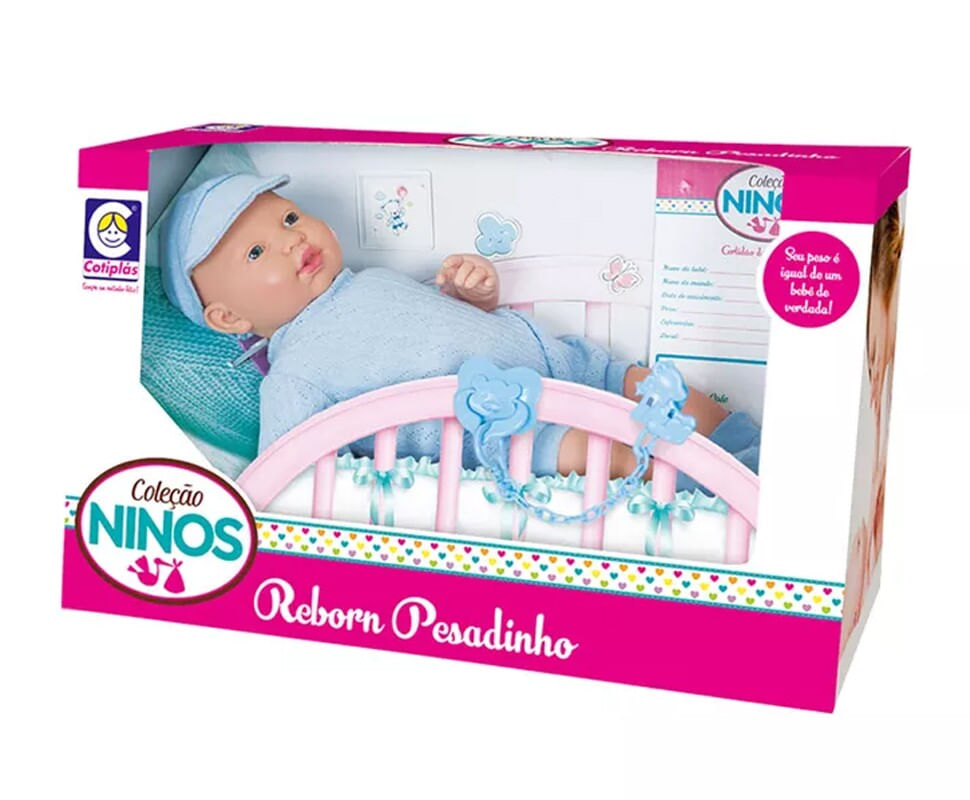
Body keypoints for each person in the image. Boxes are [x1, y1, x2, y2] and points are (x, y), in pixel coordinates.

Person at [161, 172, 749, 480]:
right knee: (607, 458)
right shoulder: (292, 378)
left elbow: (444, 321)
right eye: (257, 253)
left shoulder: (371, 280)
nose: (291, 240)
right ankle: (713, 503)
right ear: (229, 317)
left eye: (289, 219)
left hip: (568, 366)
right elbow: (284, 476)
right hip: (511, 432)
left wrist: (473, 294)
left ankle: (752, 454)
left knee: (660, 389)